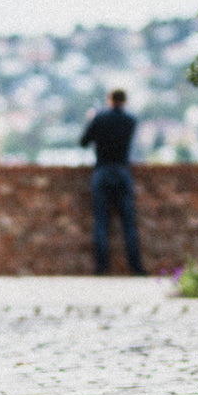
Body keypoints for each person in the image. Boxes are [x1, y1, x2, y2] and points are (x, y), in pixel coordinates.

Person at [79, 89, 147, 275]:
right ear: (124, 101)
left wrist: (92, 119)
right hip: (122, 170)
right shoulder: (130, 120)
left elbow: (84, 142)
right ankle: (136, 266)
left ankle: (102, 267)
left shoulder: (99, 118)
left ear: (109, 100)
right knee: (129, 223)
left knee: (101, 221)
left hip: (102, 170)